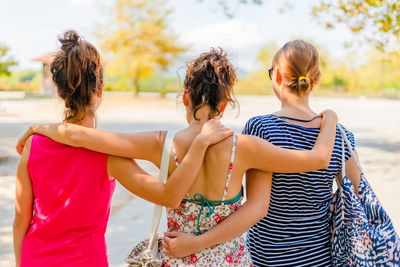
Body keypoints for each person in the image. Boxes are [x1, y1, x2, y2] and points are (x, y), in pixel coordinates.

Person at [16, 47, 339, 266]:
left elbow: (81, 136)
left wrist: (39, 128)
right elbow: (318, 159)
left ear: (185, 97)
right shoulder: (248, 147)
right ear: (225, 105)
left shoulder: (161, 143)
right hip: (230, 258)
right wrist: (332, 118)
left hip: (176, 257)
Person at [12, 30, 233, 267]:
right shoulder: (110, 155)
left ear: (59, 91)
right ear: (100, 89)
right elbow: (170, 196)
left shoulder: (33, 146)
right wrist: (200, 144)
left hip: (34, 259)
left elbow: (20, 221)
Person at [162, 41, 361, 267]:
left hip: (268, 258)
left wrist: (199, 242)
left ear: (276, 76)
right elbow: (357, 194)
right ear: (315, 80)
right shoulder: (340, 134)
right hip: (321, 258)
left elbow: (257, 207)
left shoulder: (262, 128)